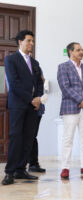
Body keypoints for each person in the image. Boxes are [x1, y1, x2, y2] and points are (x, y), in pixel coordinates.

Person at [2, 30, 43, 185]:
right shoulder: (11, 60)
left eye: (32, 41)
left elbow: (39, 83)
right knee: (16, 137)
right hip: (18, 105)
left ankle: (21, 169)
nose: (31, 43)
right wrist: (31, 99)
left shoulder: (35, 63)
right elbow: (14, 83)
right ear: (20, 42)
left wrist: (38, 97)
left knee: (28, 138)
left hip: (33, 107)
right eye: (29, 40)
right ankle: (9, 172)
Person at [57, 42, 83, 179]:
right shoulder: (63, 67)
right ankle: (65, 168)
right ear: (70, 52)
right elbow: (65, 87)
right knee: (68, 139)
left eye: (82, 49)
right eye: (78, 50)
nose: (81, 52)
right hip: (70, 108)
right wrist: (81, 100)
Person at [28, 71, 47, 173]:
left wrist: (38, 101)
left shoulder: (36, 67)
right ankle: (22, 164)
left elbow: (42, 82)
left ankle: (33, 164)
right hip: (24, 106)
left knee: (33, 136)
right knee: (22, 137)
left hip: (37, 108)